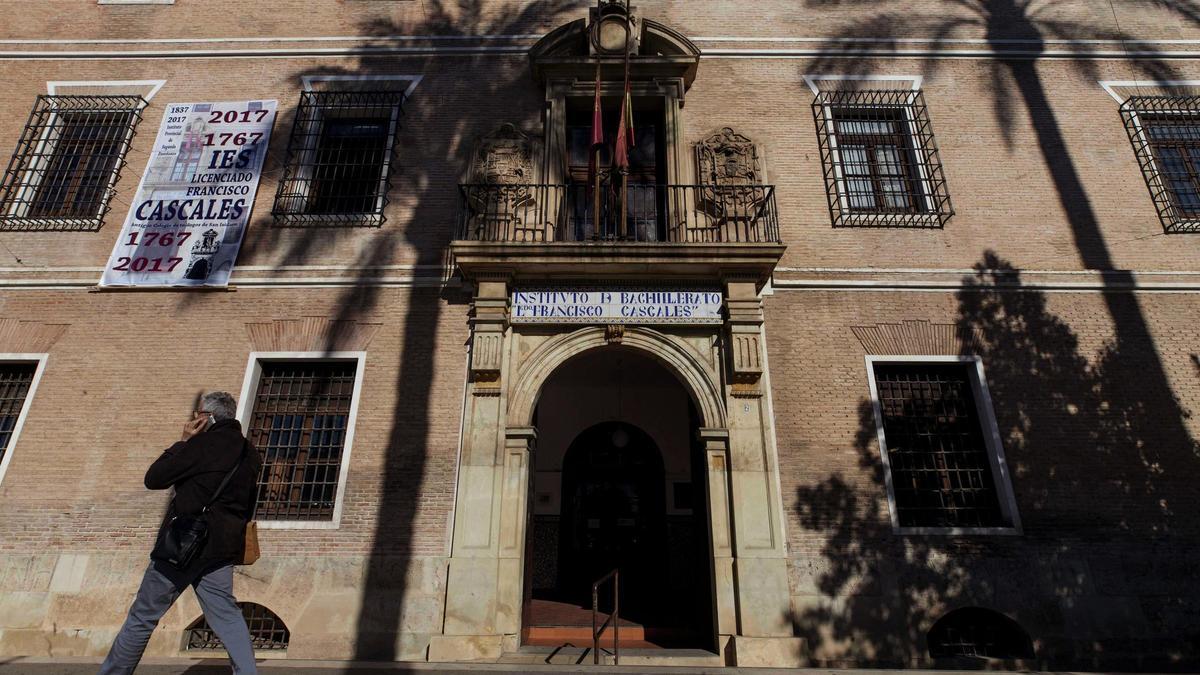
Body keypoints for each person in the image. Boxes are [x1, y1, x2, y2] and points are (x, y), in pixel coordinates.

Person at [99, 391, 262, 675]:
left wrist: (183, 441)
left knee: (143, 616)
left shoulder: (199, 446)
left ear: (207, 417)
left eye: (198, 414)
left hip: (183, 545)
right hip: (222, 548)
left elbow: (154, 478)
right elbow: (248, 503)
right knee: (227, 616)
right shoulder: (251, 453)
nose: (194, 418)